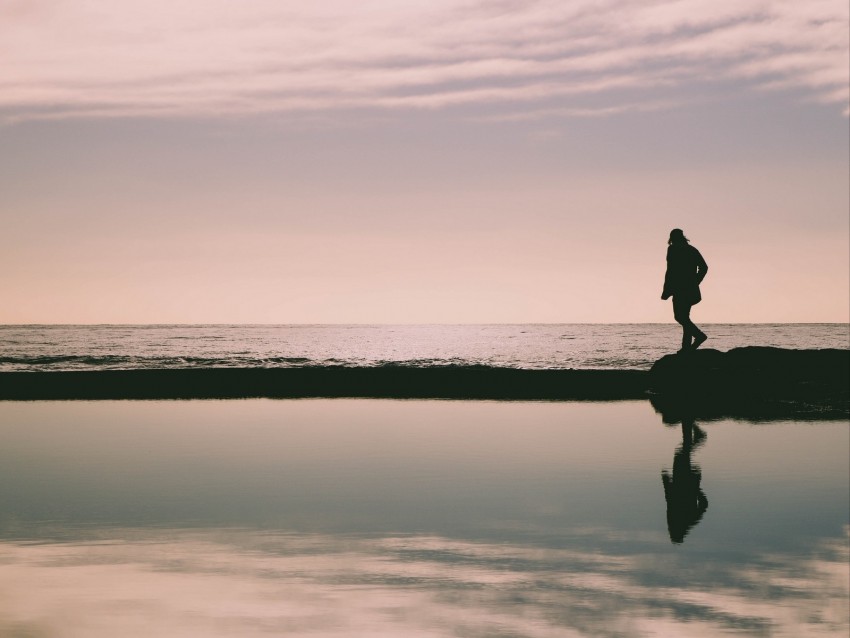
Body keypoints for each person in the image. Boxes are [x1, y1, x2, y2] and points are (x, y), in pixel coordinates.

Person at [661, 229, 708, 351]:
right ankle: (686, 348)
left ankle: (699, 336)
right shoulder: (692, 250)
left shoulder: (672, 250)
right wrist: (695, 282)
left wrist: (666, 290)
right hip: (688, 289)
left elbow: (670, 271)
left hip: (680, 289)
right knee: (684, 317)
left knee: (680, 317)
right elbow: (704, 267)